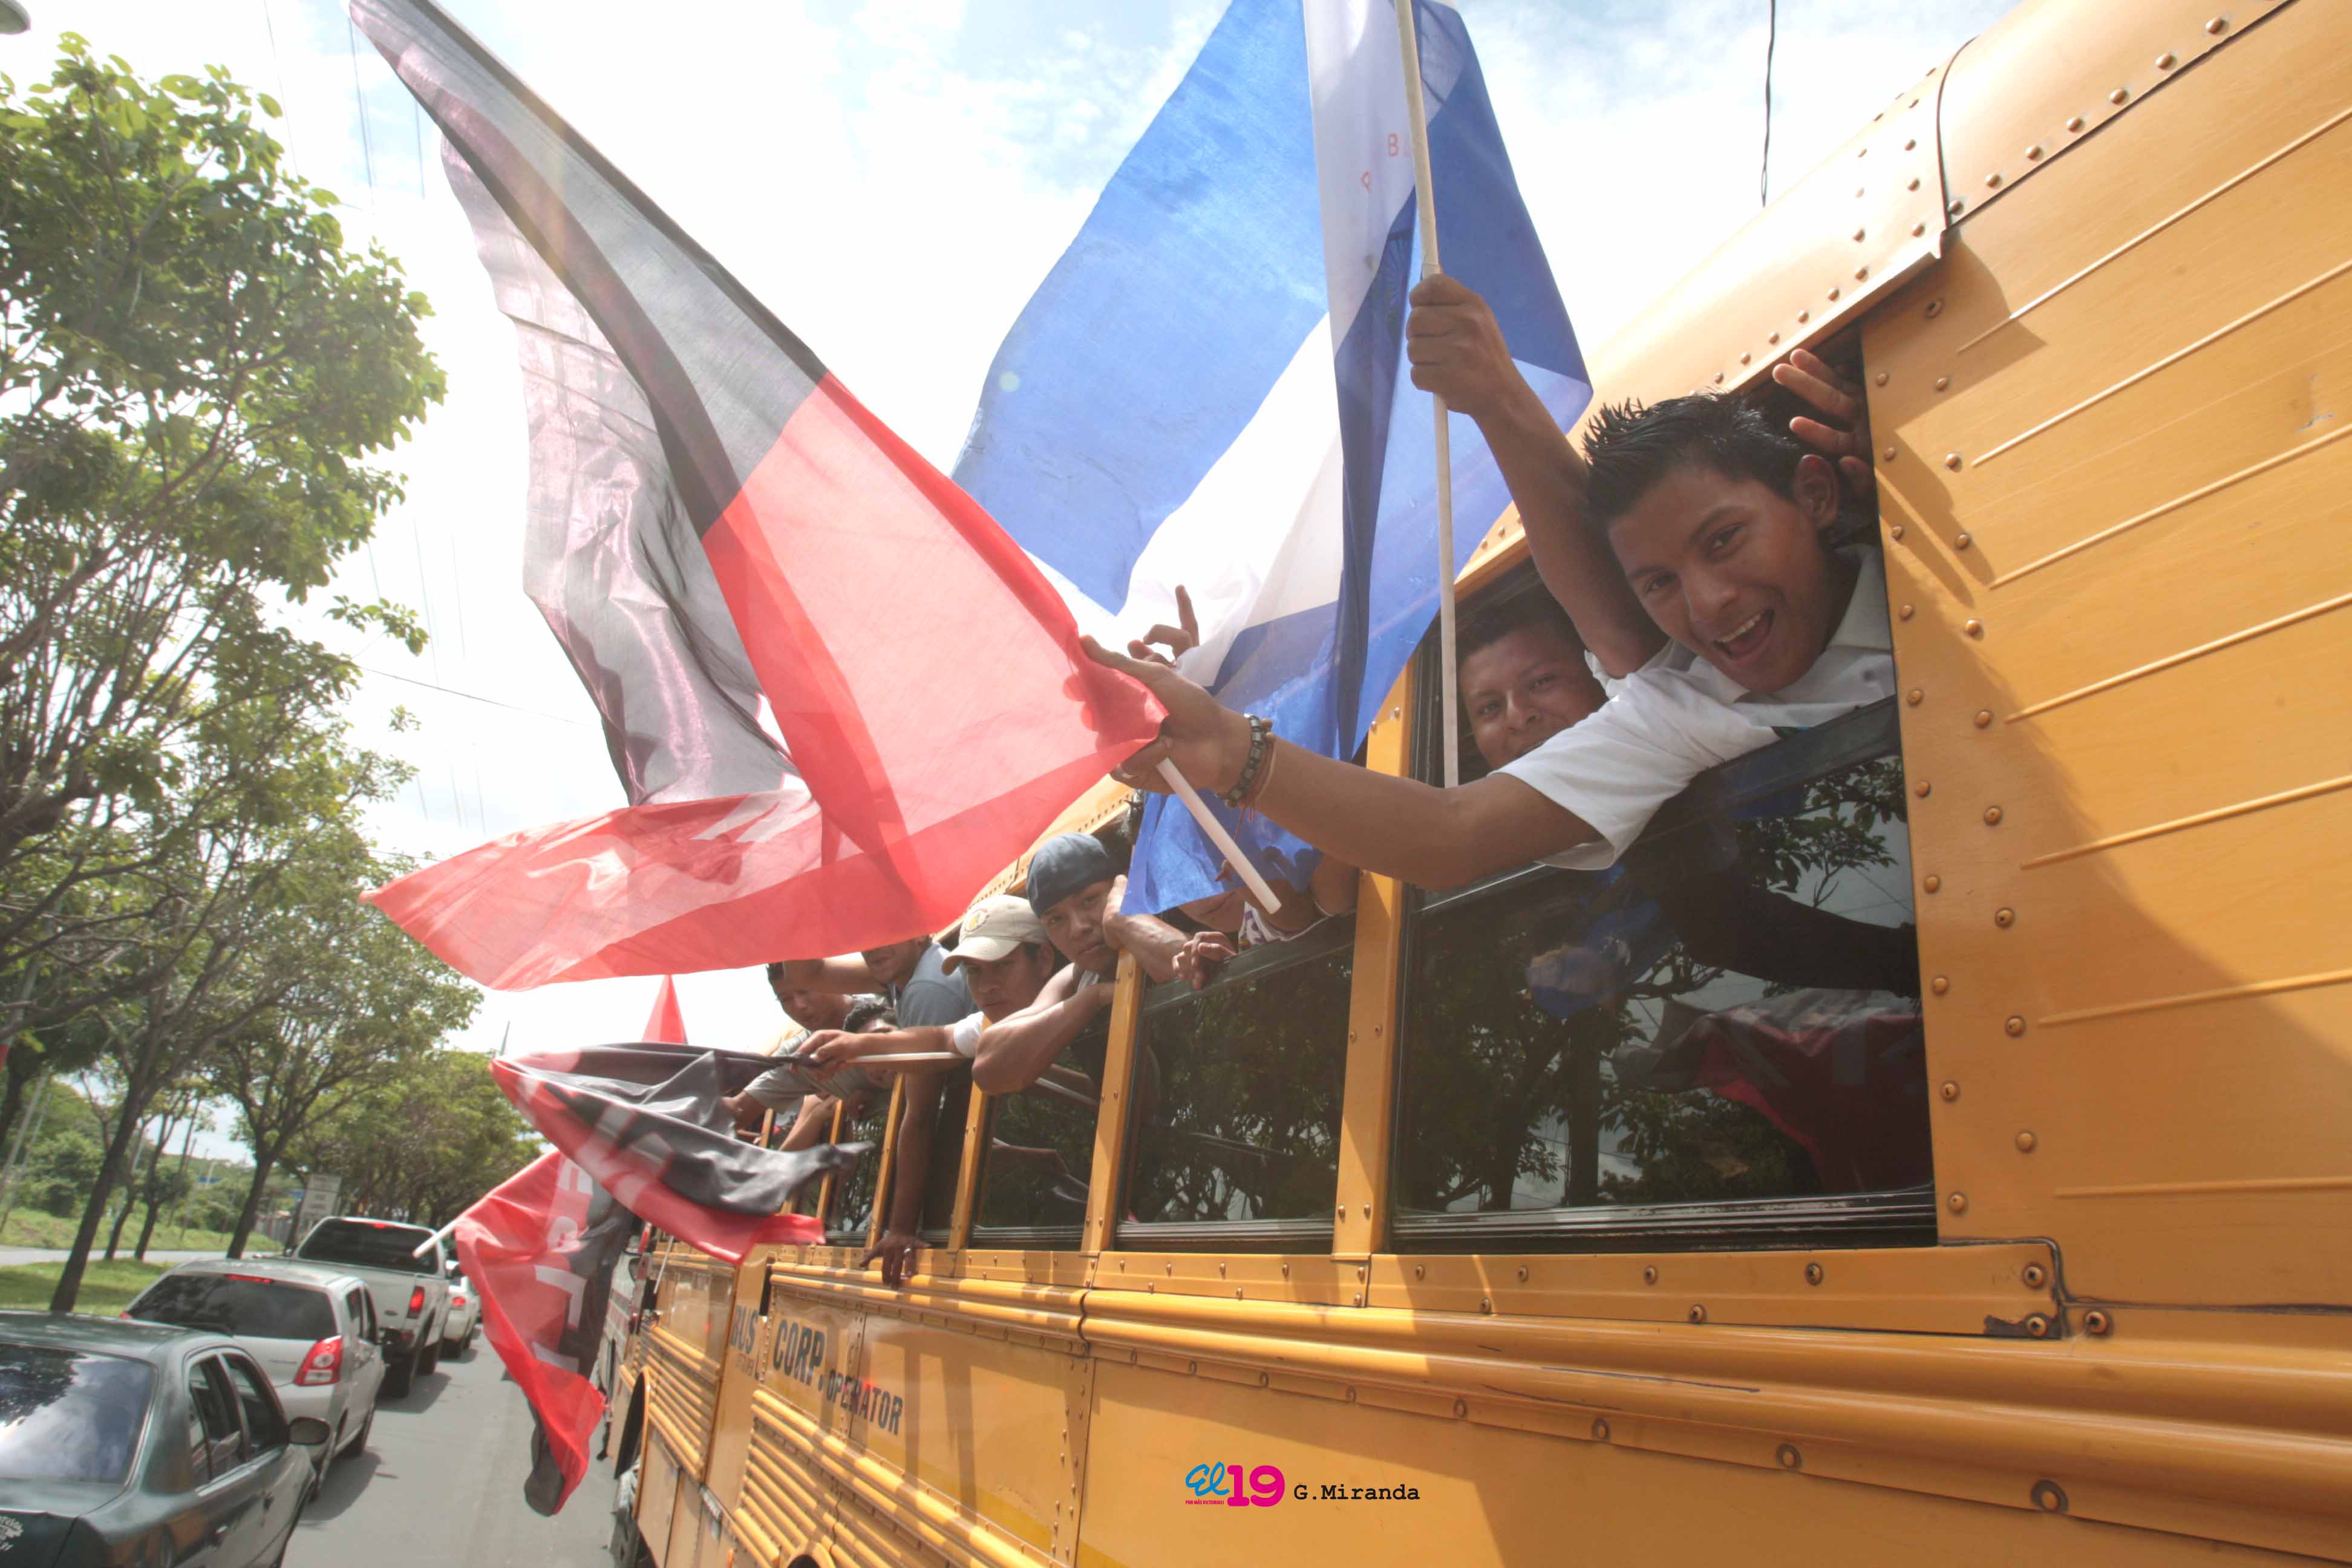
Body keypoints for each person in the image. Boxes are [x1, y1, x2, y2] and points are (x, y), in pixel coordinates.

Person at [1085, 389, 1893, 891]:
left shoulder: (1920, 562)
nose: (1710, 604)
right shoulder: (1683, 708)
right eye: (1659, 585)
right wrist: (1233, 754)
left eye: (1724, 542)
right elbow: (1454, 835)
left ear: (1818, 497)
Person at [970, 832, 1218, 1096]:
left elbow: (1203, 971)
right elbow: (988, 1068)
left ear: (1120, 888)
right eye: (1056, 920)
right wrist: (1095, 996)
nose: (1077, 929)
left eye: (1089, 900)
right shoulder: (1080, 978)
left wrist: (1124, 920)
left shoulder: (1182, 918)